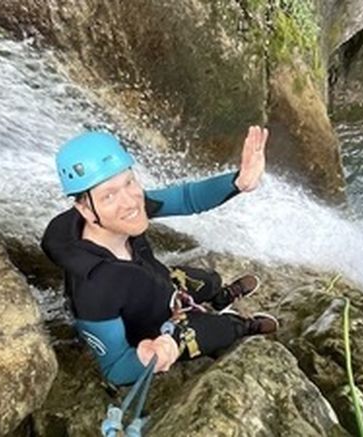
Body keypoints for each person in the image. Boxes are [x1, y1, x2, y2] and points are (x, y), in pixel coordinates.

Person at [41, 127, 279, 386]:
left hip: (162, 286)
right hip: (153, 329)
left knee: (210, 280)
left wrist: (238, 183)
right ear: (85, 209)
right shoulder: (94, 291)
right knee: (221, 330)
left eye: (129, 182)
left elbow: (186, 198)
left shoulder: (123, 210)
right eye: (109, 195)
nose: (130, 202)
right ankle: (243, 326)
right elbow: (114, 367)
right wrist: (148, 358)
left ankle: (221, 297)